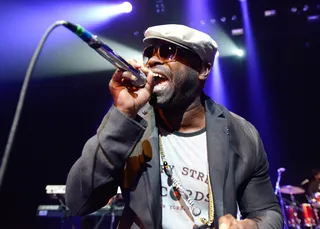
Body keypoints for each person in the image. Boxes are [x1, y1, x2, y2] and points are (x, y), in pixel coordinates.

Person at [65, 24, 283, 229]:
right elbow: (79, 202)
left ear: (203, 69)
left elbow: (267, 212)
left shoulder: (241, 134)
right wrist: (122, 114)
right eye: (149, 52)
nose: (151, 61)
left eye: (168, 52)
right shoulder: (129, 125)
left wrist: (249, 226)